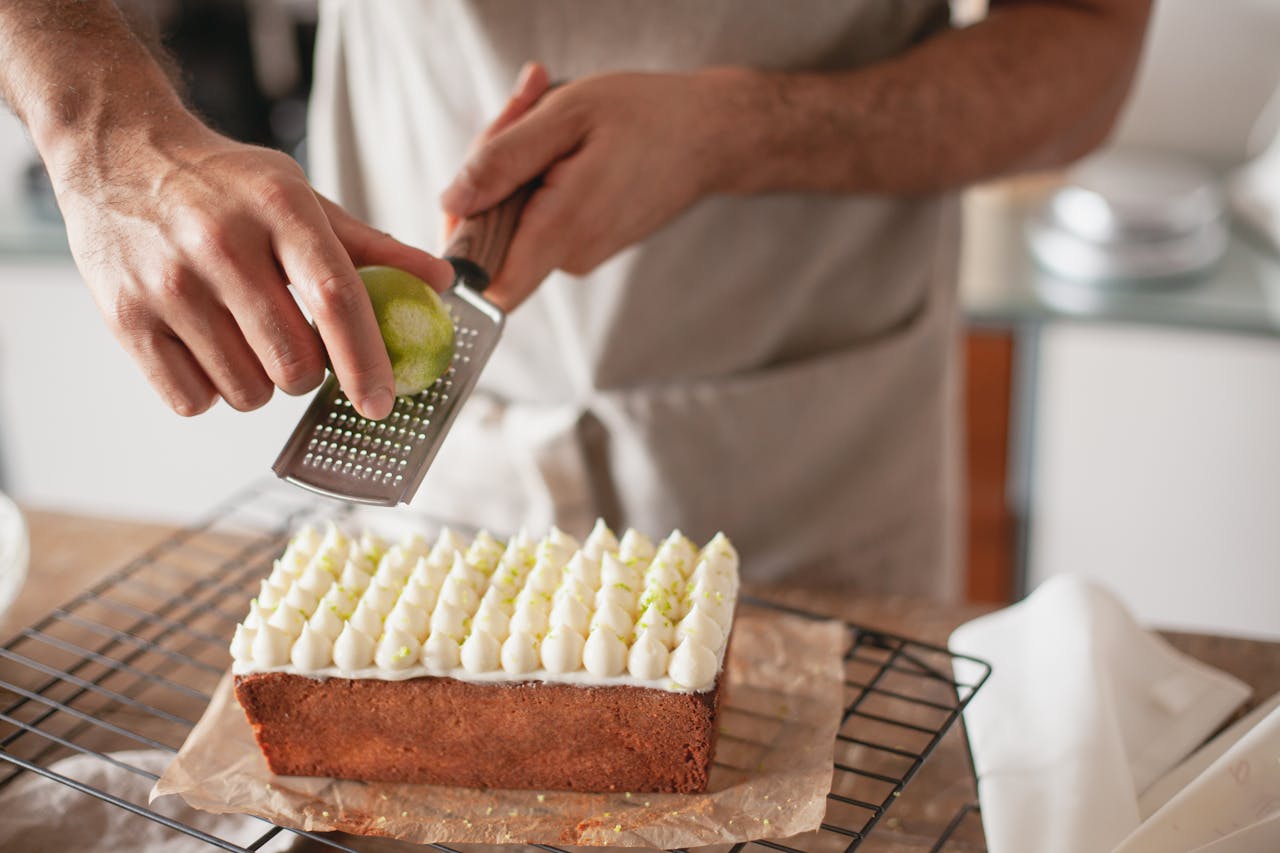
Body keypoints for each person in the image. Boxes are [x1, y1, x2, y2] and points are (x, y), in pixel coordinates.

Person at [0, 0, 1151, 597]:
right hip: (428, 447)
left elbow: (1087, 47)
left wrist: (739, 132)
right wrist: (100, 128)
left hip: (811, 449)